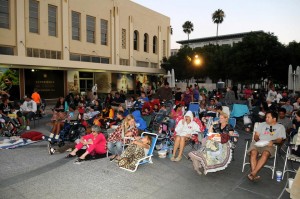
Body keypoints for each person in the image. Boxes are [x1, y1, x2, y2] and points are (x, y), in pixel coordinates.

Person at [247, 111, 286, 181]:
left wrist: (273, 141)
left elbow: (280, 140)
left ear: (274, 119)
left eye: (268, 117)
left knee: (265, 154)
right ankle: (254, 174)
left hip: (270, 144)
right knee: (253, 152)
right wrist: (258, 140)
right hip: (258, 143)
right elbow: (256, 136)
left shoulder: (280, 127)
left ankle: (253, 173)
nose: (266, 119)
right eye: (266, 117)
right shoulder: (262, 124)